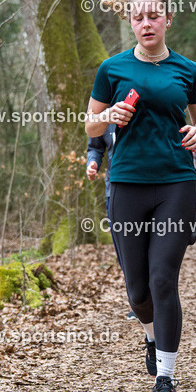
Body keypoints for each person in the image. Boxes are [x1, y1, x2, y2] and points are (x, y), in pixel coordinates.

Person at [86, 0, 196, 392]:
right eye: (138, 17)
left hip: (176, 182)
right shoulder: (112, 69)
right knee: (138, 290)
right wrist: (108, 114)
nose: (146, 23)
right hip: (126, 183)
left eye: (154, 16)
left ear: (168, 19)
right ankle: (152, 336)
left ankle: (166, 380)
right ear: (130, 22)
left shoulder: (188, 70)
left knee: (162, 280)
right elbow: (90, 126)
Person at [86, 126, 136, 322]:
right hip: (114, 192)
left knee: (151, 249)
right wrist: (92, 163)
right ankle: (138, 302)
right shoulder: (103, 116)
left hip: (150, 187)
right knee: (126, 253)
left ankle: (154, 300)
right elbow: (95, 146)